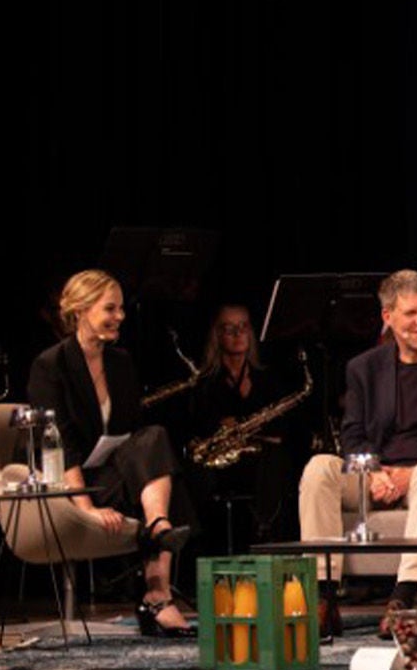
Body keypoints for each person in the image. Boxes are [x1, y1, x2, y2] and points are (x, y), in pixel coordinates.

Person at [297, 269, 417, 624]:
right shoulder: (363, 368)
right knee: (320, 467)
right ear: (388, 317)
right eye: (411, 313)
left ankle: (404, 597)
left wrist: (411, 474)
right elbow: (353, 434)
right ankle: (324, 596)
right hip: (379, 477)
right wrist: (373, 472)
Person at [28, 270, 196, 637]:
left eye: (121, 308)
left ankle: (158, 529)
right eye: (110, 308)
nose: (120, 316)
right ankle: (158, 592)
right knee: (164, 478)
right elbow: (59, 443)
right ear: (80, 310)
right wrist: (85, 506)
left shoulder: (121, 362)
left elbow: (132, 432)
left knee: (155, 437)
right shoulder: (50, 365)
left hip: (115, 474)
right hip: (71, 482)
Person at [185, 303, 305, 547]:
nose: (238, 334)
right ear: (217, 335)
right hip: (223, 464)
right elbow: (199, 426)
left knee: (277, 456)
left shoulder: (268, 379)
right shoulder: (204, 383)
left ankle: (265, 530)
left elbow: (282, 430)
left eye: (244, 327)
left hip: (262, 460)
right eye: (229, 328)